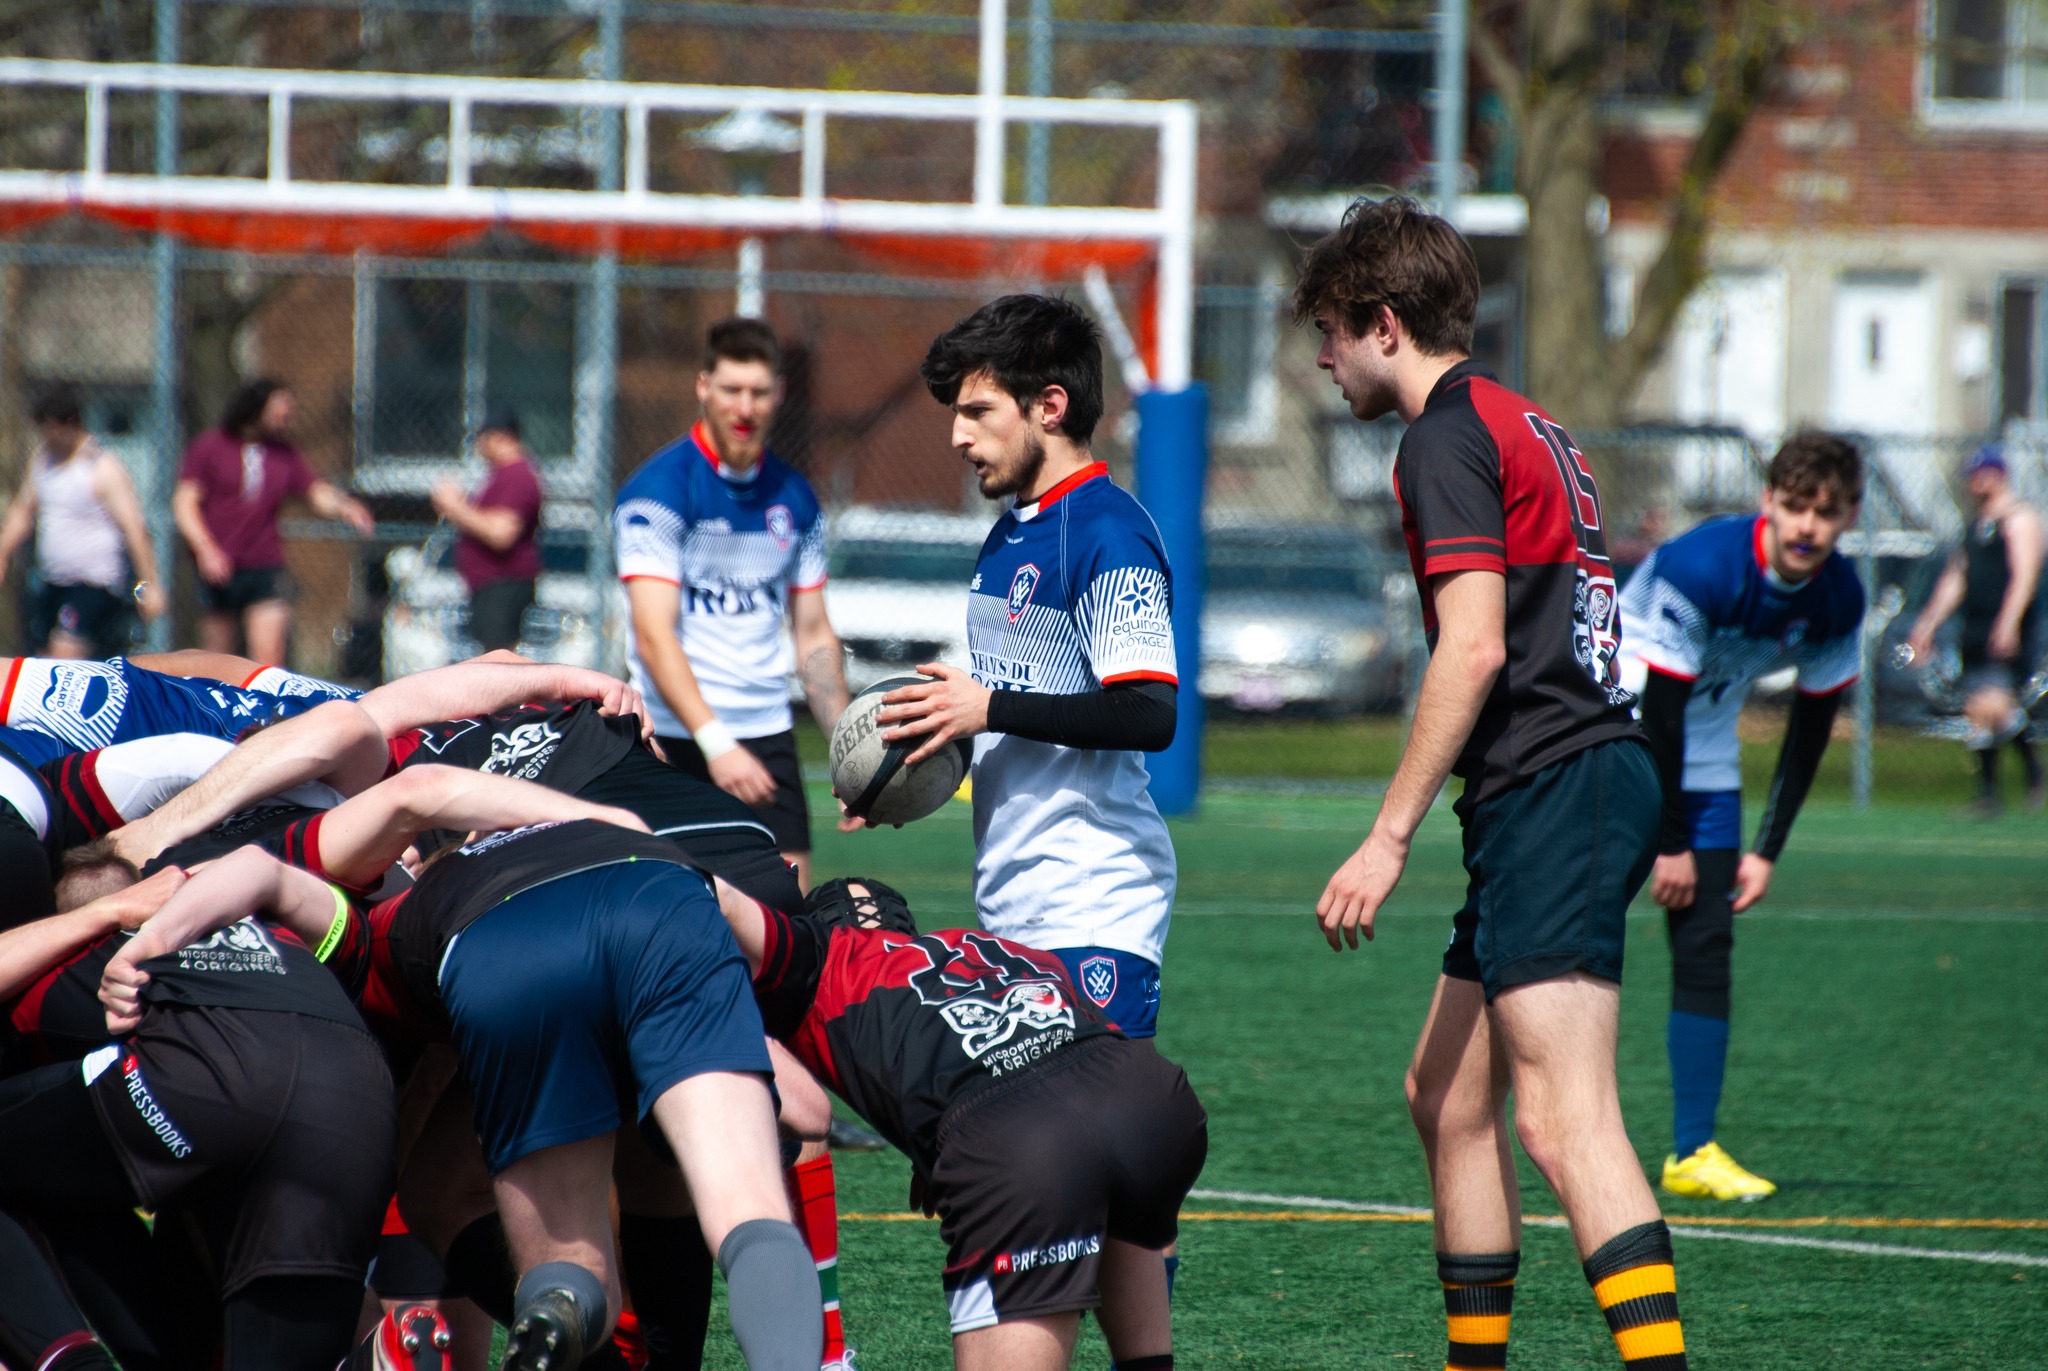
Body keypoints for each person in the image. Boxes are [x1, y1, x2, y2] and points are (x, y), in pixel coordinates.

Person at [1296, 197, 1685, 1371]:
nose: (1320, 358)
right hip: (1572, 778)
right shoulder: (1523, 418)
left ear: (1381, 323)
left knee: (1564, 1122)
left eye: (1327, 332)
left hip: (1553, 785)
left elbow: (1470, 648)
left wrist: (1385, 835)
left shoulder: (1441, 438)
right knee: (1444, 1097)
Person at [97, 767, 824, 1371]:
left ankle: (556, 1310)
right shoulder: (624, 841)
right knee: (752, 1216)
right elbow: (803, 1098)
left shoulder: (386, 922)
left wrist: (143, 944)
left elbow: (257, 870)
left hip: (497, 941)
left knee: (569, 1263)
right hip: (665, 894)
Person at [718, 876, 1206, 1371]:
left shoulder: (824, 964)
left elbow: (729, 903)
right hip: (1150, 1100)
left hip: (1022, 1143)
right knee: (1116, 1191)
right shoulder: (992, 947)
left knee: (1059, 1158)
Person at [882, 295, 1179, 1050]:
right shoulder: (1010, 535)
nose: (956, 434)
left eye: (978, 411)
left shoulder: (1108, 534)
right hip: (1016, 900)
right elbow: (1002, 714)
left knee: (1078, 1148)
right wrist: (903, 770)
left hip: (1094, 906)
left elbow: (1148, 712)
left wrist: (988, 708)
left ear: (1050, 406)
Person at [0, 858, 396, 1371]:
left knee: (47, 1151)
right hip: (357, 1098)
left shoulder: (79, 956)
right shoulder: (274, 931)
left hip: (209, 1081)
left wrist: (98, 913)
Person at [1616, 433, 1867, 1202]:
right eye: (1794, 506)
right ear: (1768, 501)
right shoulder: (1702, 567)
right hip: (1612, 735)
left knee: (1706, 947)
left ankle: (1692, 1151)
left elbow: (1812, 726)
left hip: (1704, 752)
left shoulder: (1839, 598)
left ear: (1849, 515)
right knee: (1571, 933)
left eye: (1825, 513)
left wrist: (1766, 850)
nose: (1807, 527)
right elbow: (1658, 710)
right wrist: (1670, 843)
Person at [614, 317, 850, 889]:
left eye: (759, 391)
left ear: (779, 394)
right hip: (673, 736)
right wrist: (715, 744)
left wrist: (849, 752)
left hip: (766, 733)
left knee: (788, 919)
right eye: (731, 389)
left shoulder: (795, 499)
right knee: (676, 914)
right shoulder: (658, 493)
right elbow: (653, 636)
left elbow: (813, 632)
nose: (745, 406)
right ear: (703, 387)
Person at [175, 378, 376, 666]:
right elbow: (184, 502)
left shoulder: (284, 453)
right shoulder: (211, 446)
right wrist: (205, 549)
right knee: (215, 658)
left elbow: (315, 492)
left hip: (264, 563)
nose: (287, 417)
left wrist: (346, 507)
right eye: (281, 409)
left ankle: (267, 711)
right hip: (219, 565)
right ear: (258, 409)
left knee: (269, 657)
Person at [1905, 444, 2046, 815]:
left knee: (1992, 704)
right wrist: (1928, 623)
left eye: (1981, 474)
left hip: (2007, 627)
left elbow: (2025, 575)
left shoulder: (2019, 519)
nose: (1974, 482)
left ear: (1998, 475)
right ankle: (2003, 787)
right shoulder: (1975, 523)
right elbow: (1957, 577)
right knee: (1979, 709)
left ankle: (2017, 781)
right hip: (1976, 626)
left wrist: (2009, 621)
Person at [0, 383, 167, 657]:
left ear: (71, 424)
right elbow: (23, 510)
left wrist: (150, 584)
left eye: (53, 428)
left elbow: (133, 527)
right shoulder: (43, 461)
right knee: (40, 659)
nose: (48, 437)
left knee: (63, 655)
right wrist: (3, 553)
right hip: (53, 581)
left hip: (92, 584)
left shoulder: (101, 467)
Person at [433, 406, 544, 653]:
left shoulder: (518, 475)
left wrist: (455, 507)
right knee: (490, 658)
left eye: (481, 439)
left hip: (503, 584)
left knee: (499, 661)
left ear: (499, 437)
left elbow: (501, 533)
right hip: (490, 585)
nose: (478, 447)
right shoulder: (500, 475)